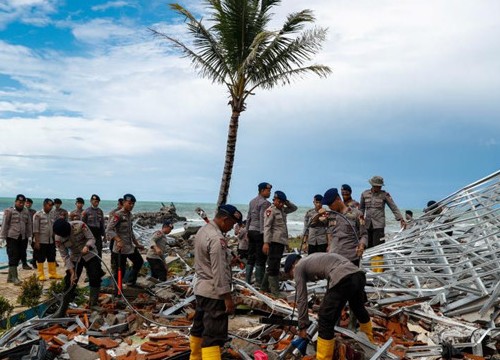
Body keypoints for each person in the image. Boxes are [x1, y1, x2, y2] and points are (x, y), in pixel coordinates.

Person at [284, 253, 375, 360]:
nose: (294, 278)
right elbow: (332, 283)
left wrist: (302, 326)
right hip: (358, 275)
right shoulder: (313, 258)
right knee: (358, 308)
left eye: (291, 275)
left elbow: (301, 298)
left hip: (343, 277)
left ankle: (323, 358)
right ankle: (370, 342)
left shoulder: (298, 267)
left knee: (325, 319)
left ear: (292, 266)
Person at [190, 204, 243, 360]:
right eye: (231, 224)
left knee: (198, 328)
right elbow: (219, 272)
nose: (231, 228)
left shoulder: (203, 231)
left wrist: (228, 261)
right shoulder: (217, 238)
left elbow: (207, 260)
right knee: (213, 338)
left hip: (200, 289)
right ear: (224, 219)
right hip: (214, 293)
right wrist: (227, 298)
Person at [52, 218, 103, 317]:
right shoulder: (58, 238)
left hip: (90, 254)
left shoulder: (80, 225)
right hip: (75, 257)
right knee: (70, 282)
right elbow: (65, 256)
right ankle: (62, 309)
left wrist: (87, 246)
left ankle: (93, 303)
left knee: (95, 276)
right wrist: (72, 272)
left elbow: (91, 238)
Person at [261, 190, 298, 296]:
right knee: (273, 266)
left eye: (282, 202)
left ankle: (263, 288)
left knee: (274, 265)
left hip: (281, 241)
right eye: (279, 202)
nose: (281, 204)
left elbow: (294, 208)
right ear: (275, 200)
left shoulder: (282, 210)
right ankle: (275, 291)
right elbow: (267, 227)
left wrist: (286, 202)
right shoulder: (270, 211)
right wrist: (266, 243)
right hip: (273, 241)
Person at [320, 188, 367, 266]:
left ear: (338, 199)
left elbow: (364, 235)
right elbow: (313, 224)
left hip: (351, 258)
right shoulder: (330, 215)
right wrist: (319, 213)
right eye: (328, 205)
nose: (330, 207)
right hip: (334, 257)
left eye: (330, 204)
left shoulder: (357, 214)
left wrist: (361, 246)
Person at [106, 193, 144, 287]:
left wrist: (137, 244)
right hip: (120, 249)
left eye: (133, 204)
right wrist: (118, 240)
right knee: (120, 271)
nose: (131, 206)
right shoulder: (118, 215)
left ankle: (131, 282)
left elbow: (130, 231)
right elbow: (109, 229)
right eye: (129, 203)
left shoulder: (130, 215)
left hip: (129, 246)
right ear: (123, 202)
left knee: (139, 262)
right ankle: (117, 291)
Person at [359, 176, 405, 248]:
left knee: (378, 247)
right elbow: (361, 208)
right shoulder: (365, 194)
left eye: (380, 186)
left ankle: (379, 259)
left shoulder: (385, 195)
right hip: (367, 225)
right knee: (367, 246)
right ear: (372, 185)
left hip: (379, 225)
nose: (379, 188)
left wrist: (401, 219)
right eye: (377, 186)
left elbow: (393, 207)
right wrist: (360, 217)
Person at [0, 194, 33, 285]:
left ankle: (10, 278)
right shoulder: (9, 211)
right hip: (12, 237)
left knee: (19, 256)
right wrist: (2, 237)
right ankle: (15, 278)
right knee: (13, 256)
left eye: (23, 202)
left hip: (23, 237)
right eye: (19, 202)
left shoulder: (26, 212)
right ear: (15, 202)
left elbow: (29, 224)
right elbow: (5, 224)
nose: (21, 204)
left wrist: (30, 236)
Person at [245, 182, 272, 286]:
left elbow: (248, 217)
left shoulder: (252, 201)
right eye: (268, 190)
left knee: (251, 256)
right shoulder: (265, 203)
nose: (269, 193)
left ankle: (247, 281)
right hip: (259, 231)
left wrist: (247, 231)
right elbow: (263, 219)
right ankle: (258, 282)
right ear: (262, 191)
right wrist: (264, 234)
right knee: (260, 257)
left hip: (251, 230)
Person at [33, 198, 62, 280]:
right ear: (44, 205)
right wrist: (37, 242)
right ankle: (40, 274)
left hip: (51, 240)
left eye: (52, 206)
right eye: (49, 205)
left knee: (52, 256)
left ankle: (52, 273)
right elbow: (35, 229)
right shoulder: (38, 215)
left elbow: (53, 227)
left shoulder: (52, 214)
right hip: (41, 240)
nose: (51, 207)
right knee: (40, 258)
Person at [24, 198, 37, 270]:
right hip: (24, 233)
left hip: (32, 233)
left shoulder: (34, 212)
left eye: (29, 203)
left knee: (36, 248)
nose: (28, 204)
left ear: (31, 204)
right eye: (26, 203)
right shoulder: (21, 211)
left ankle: (34, 261)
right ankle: (24, 263)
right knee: (23, 249)